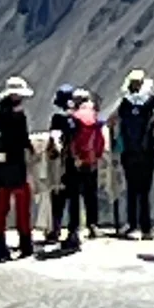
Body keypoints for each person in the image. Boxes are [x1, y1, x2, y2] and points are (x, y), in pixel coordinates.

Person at [0, 77, 35, 260]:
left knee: (2, 206)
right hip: (16, 164)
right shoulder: (17, 114)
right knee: (22, 205)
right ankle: (25, 243)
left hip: (2, 167)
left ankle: (0, 243)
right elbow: (22, 138)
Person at [114, 69, 154, 240]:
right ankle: (147, 227)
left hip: (129, 152)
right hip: (146, 152)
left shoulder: (124, 104)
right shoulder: (150, 104)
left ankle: (132, 225)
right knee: (145, 190)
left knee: (132, 189)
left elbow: (118, 126)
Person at [61, 88, 105, 250]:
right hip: (91, 161)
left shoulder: (74, 118)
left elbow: (71, 140)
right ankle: (93, 225)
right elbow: (99, 140)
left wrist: (75, 157)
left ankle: (74, 230)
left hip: (76, 161)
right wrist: (96, 157)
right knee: (90, 193)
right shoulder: (94, 116)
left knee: (73, 197)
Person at [44, 86, 76, 246]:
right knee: (74, 198)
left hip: (61, 164)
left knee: (57, 197)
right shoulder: (77, 118)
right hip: (76, 162)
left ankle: (55, 230)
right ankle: (73, 231)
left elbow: (54, 137)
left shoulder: (57, 118)